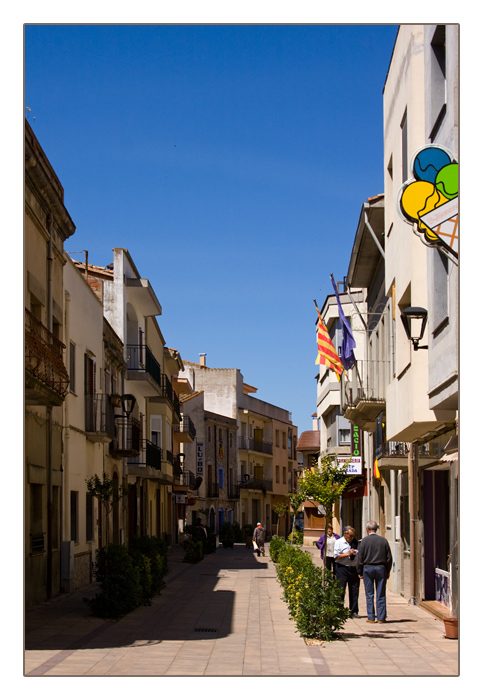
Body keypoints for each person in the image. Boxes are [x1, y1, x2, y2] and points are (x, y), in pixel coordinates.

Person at [356, 520, 393, 624]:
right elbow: (389, 558)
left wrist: (359, 570)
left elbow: (360, 558)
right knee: (381, 593)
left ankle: (371, 617)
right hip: (381, 568)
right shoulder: (383, 541)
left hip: (368, 568)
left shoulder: (364, 541)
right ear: (376, 529)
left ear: (367, 529)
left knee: (369, 593)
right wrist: (387, 570)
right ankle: (381, 617)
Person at [333, 525, 360, 617]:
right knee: (341, 589)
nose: (351, 538)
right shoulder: (339, 542)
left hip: (353, 569)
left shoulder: (356, 543)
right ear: (345, 534)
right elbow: (336, 556)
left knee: (354, 590)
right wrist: (348, 554)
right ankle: (339, 610)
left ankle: (354, 611)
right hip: (342, 568)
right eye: (350, 536)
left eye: (353, 536)